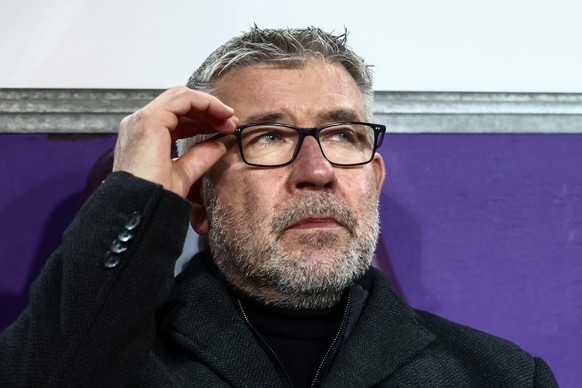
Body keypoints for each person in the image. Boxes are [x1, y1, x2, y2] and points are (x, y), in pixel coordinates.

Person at [0, 26, 557, 387]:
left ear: (375, 180)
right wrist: (135, 194)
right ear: (198, 198)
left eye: (342, 135)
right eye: (268, 137)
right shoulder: (109, 364)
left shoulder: (501, 376)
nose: (317, 173)